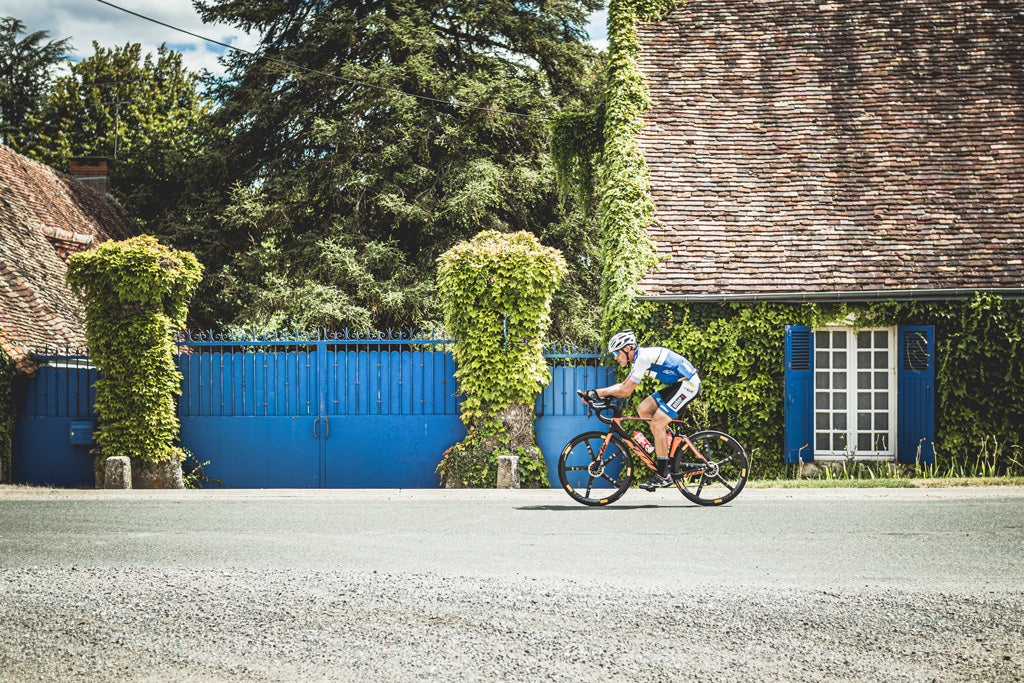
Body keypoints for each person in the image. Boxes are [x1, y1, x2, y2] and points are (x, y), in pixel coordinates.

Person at [582, 329, 701, 490]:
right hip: (679, 384)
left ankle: (664, 475)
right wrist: (600, 395)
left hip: (688, 384)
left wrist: (596, 393)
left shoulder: (642, 358)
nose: (615, 357)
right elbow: (623, 386)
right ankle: (670, 444)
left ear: (627, 348)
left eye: (617, 352)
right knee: (644, 408)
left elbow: (626, 391)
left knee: (657, 423)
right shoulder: (638, 358)